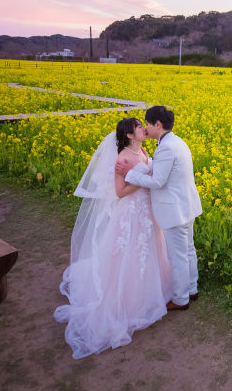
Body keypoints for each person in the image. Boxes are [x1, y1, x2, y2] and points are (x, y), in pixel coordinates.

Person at [54, 118, 173, 359]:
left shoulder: (142, 150)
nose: (143, 128)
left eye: (143, 125)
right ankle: (125, 301)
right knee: (128, 254)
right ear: (130, 135)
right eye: (139, 126)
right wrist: (142, 181)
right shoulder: (122, 159)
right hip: (132, 213)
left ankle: (153, 293)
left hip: (148, 211)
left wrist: (146, 177)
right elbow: (119, 193)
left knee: (150, 250)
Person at [116, 106, 202, 311]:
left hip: (174, 210)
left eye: (147, 123)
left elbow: (157, 181)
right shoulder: (176, 141)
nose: (145, 128)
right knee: (188, 250)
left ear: (158, 124)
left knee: (178, 255)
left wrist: (130, 173)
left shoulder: (166, 147)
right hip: (186, 205)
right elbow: (166, 168)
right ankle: (192, 289)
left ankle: (181, 299)